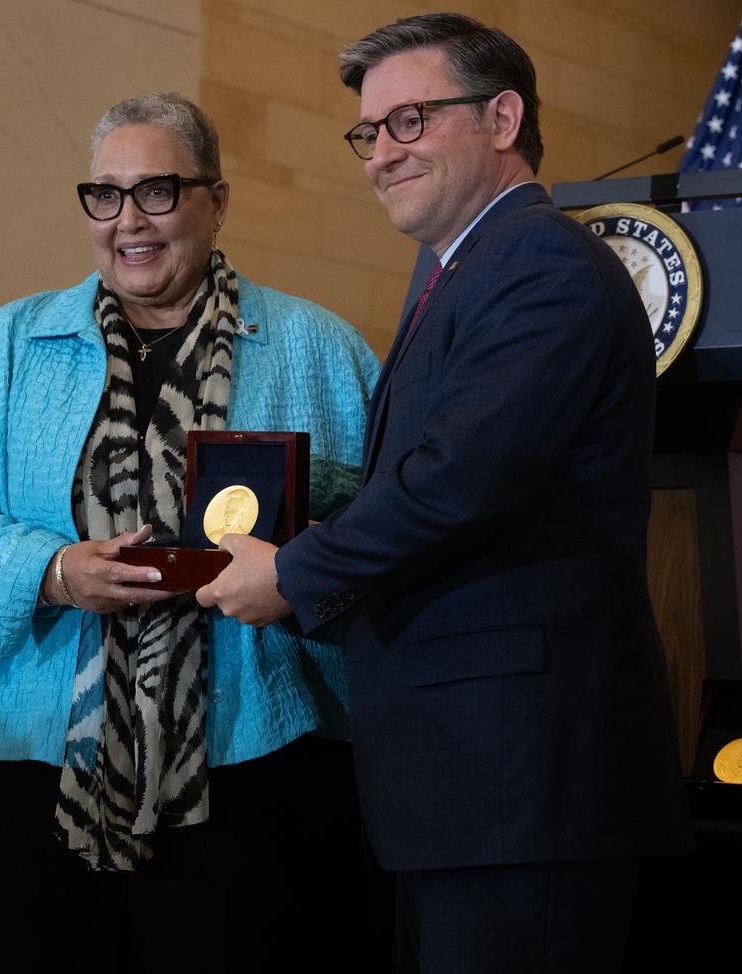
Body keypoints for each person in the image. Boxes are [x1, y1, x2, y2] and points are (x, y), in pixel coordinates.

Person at [199, 14, 694, 972]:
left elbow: (459, 478)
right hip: (467, 780)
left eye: (412, 120)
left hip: (523, 778)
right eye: (370, 131)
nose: (382, 153)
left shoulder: (540, 264)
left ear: (502, 116)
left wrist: (293, 572)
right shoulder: (461, 270)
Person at [0, 92, 381, 973]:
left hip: (254, 755)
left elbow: (380, 526)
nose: (130, 221)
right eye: (107, 195)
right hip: (26, 757)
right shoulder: (5, 346)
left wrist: (295, 571)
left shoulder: (321, 349)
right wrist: (49, 568)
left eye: (159, 192)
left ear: (218, 202)